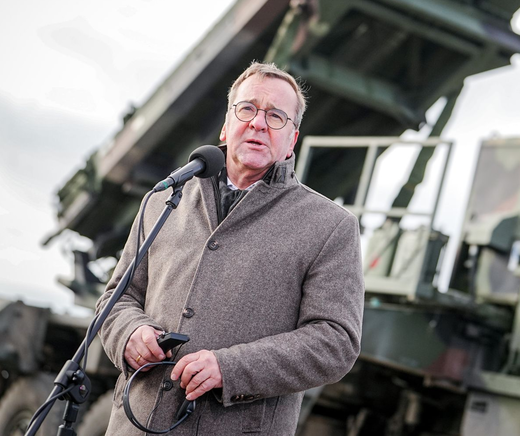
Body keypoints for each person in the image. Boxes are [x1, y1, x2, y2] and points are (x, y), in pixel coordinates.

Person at [97, 62, 364, 435]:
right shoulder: (164, 199)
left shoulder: (331, 226)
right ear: (226, 124)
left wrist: (231, 368)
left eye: (276, 117)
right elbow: (117, 298)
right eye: (248, 108)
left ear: (292, 140)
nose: (258, 123)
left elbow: (335, 341)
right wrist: (130, 333)